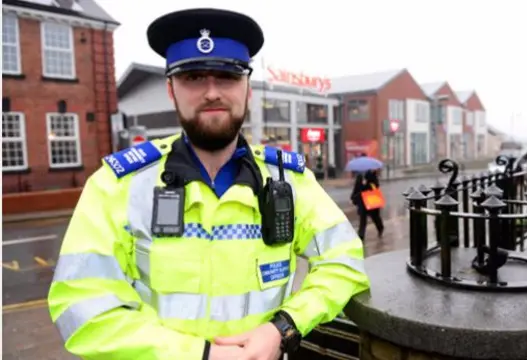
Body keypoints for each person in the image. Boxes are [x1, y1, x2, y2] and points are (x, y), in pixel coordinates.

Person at [47, 8, 369, 360]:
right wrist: (198, 355)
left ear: (247, 89)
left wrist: (284, 327)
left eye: (227, 77)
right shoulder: (117, 185)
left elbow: (345, 263)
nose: (212, 92)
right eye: (194, 78)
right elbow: (81, 304)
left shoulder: (287, 179)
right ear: (171, 89)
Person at [350, 157, 385, 240]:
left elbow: (375, 186)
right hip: (363, 201)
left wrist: (367, 185)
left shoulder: (372, 175)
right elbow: (356, 188)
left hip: (371, 200)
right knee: (363, 218)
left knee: (375, 217)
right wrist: (352, 197)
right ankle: (361, 235)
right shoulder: (359, 177)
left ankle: (380, 228)